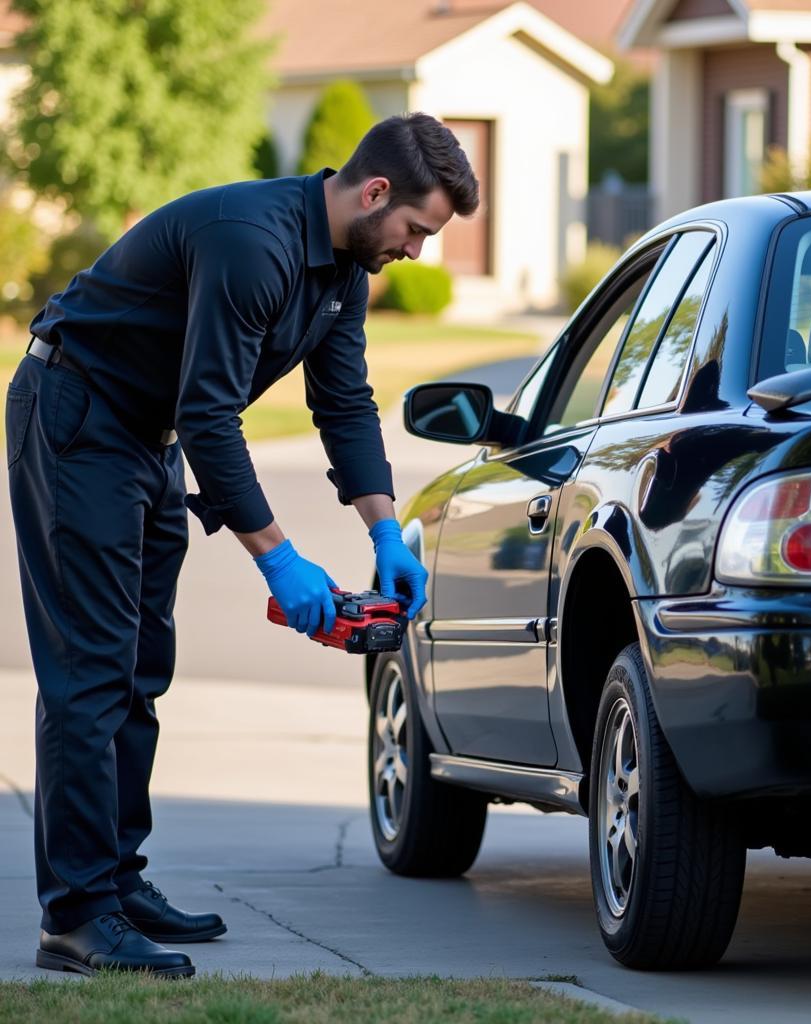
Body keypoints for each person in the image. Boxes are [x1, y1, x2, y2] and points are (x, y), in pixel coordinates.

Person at [6, 112, 479, 978]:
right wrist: (279, 555)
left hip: (142, 439)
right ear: (375, 194)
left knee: (141, 668)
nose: (417, 250)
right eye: (416, 229)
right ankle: (75, 918)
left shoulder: (344, 271)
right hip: (75, 417)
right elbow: (210, 412)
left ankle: (116, 881)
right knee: (91, 675)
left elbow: (343, 403)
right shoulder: (251, 244)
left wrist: (385, 530)